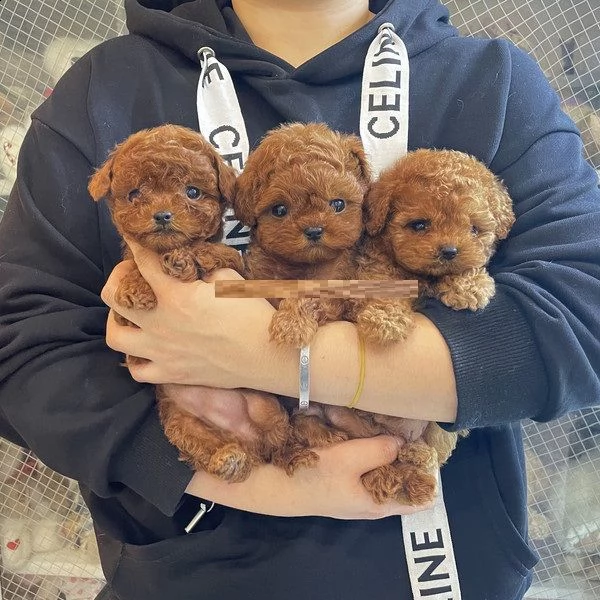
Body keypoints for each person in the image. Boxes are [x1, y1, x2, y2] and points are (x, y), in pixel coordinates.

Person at [0, 0, 599, 598]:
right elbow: (22, 347)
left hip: (442, 569)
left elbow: (584, 322)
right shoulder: (104, 88)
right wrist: (256, 483)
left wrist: (270, 356)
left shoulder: (494, 80)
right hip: (188, 570)